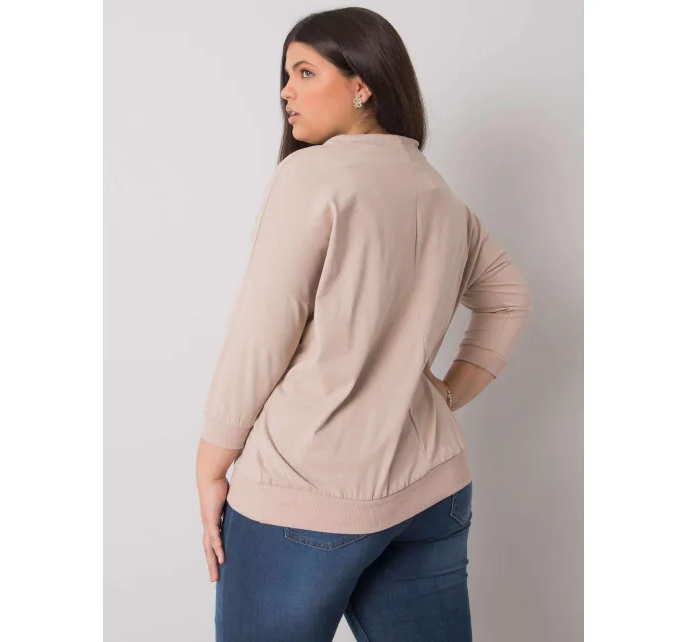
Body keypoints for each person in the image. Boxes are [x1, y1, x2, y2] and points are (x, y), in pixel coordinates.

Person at [195, 7, 532, 641]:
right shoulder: (438, 193)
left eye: (305, 72)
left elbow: (263, 331)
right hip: (432, 491)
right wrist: (442, 397)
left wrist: (213, 462)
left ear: (362, 85)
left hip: (306, 490)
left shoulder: (311, 175)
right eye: (285, 75)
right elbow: (509, 298)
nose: (286, 92)